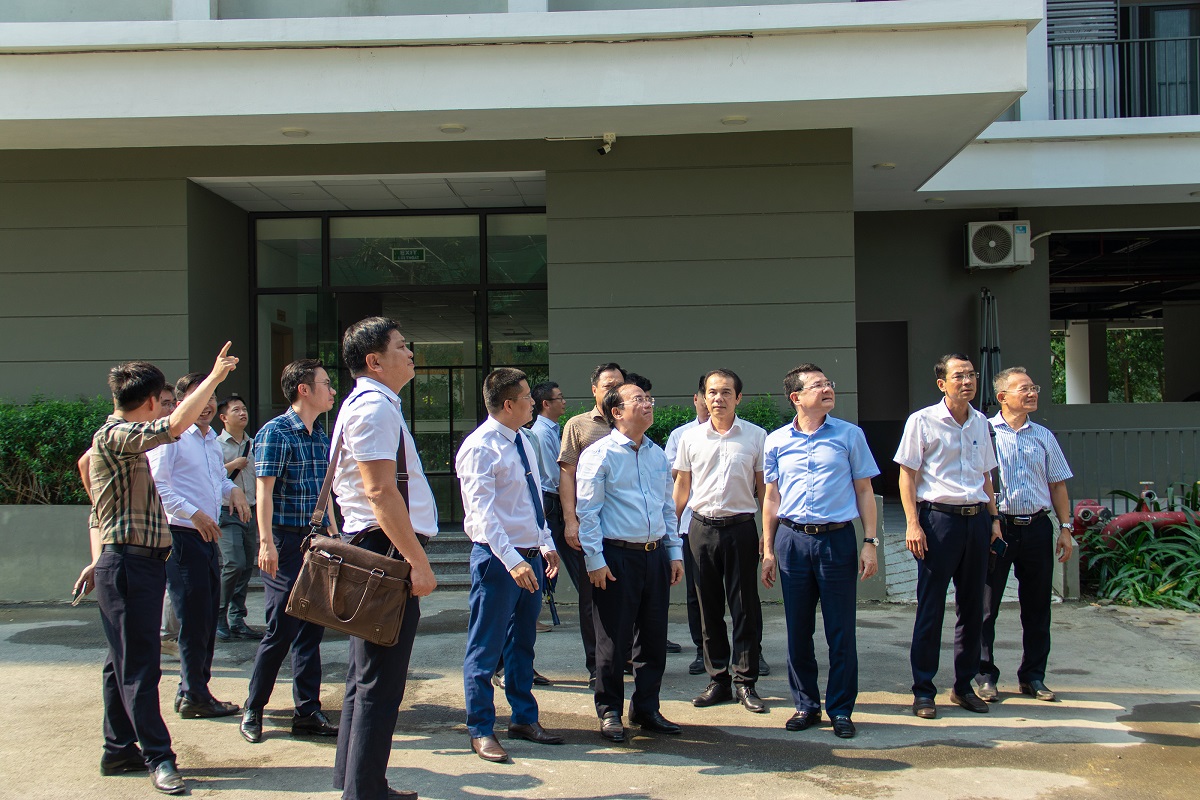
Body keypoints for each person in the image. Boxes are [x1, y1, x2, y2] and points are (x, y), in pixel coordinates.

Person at [81, 344, 239, 795]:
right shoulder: (116, 435)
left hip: (134, 562)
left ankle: (118, 749)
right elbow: (171, 427)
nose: (169, 409)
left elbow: (86, 475)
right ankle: (158, 756)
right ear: (151, 401)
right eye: (165, 401)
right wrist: (214, 378)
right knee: (140, 666)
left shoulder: (117, 441)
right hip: (128, 563)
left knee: (121, 662)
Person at [331, 317, 438, 800]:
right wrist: (417, 562)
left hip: (378, 545)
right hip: (385, 549)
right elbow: (379, 492)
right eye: (400, 346)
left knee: (365, 676)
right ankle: (365, 791)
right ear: (374, 360)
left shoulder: (371, 404)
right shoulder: (374, 408)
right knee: (380, 680)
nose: (409, 352)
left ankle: (357, 781)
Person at [760, 364, 880, 739]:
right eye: (818, 385)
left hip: (836, 540)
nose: (828, 389)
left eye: (829, 383)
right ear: (796, 397)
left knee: (840, 631)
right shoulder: (776, 441)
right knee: (798, 629)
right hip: (792, 540)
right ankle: (806, 705)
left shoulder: (850, 435)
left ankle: (841, 709)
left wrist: (870, 542)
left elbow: (864, 491)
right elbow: (771, 497)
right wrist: (768, 549)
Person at [457, 368, 564, 763]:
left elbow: (531, 501)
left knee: (522, 645)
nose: (533, 403)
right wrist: (513, 560)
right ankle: (481, 729)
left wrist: (545, 543)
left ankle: (523, 718)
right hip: (499, 560)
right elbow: (483, 515)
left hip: (529, 557)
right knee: (485, 648)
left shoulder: (524, 440)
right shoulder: (480, 447)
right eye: (526, 397)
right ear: (507, 404)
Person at [894, 353, 1002, 720]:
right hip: (938, 522)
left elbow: (986, 476)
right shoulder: (922, 421)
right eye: (959, 376)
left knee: (973, 608)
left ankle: (963, 687)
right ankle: (924, 691)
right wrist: (912, 523)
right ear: (942, 384)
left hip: (976, 521)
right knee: (931, 607)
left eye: (971, 375)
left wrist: (994, 520)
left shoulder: (980, 422)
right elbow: (907, 475)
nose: (967, 381)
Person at [577, 381, 684, 743]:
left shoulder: (657, 454)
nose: (648, 403)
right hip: (616, 556)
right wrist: (594, 560)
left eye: (648, 398)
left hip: (654, 556)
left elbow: (667, 507)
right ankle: (609, 710)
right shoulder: (599, 454)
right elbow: (587, 513)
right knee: (613, 639)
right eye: (638, 399)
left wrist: (673, 552)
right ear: (616, 412)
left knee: (653, 638)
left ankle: (646, 707)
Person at [239, 360, 339, 744]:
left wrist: (334, 532)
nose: (332, 390)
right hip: (283, 540)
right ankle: (254, 708)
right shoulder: (275, 432)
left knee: (312, 627)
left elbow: (324, 489)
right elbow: (263, 492)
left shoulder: (320, 435)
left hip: (316, 539)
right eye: (326, 384)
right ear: (304, 389)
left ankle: (307, 711)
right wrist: (265, 543)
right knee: (282, 627)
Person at [148, 373, 251, 719]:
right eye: (199, 396)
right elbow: (159, 488)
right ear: (182, 403)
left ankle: (192, 690)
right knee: (193, 619)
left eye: (210, 396)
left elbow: (217, 478)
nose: (206, 404)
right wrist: (194, 514)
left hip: (206, 536)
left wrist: (233, 491)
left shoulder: (209, 441)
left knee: (205, 617)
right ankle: (194, 694)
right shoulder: (171, 438)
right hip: (180, 537)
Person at [673, 369, 768, 713]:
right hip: (700, 530)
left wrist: (768, 535)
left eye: (726, 392)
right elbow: (682, 487)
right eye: (712, 392)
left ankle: (745, 681)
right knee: (707, 608)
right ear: (703, 397)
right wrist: (671, 532)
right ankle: (718, 679)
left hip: (741, 528)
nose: (718, 398)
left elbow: (765, 489)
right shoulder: (690, 438)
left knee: (745, 607)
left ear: (738, 398)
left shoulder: (756, 437)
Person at [978, 367, 1074, 703]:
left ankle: (1033, 676)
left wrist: (1065, 528)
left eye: (1034, 388)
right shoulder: (985, 432)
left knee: (1037, 607)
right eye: (1024, 389)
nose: (1032, 393)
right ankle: (984, 676)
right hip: (998, 527)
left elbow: (1057, 485)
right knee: (986, 607)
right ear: (1002, 397)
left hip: (1037, 527)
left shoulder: (1044, 436)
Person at [557, 362, 627, 688]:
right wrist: (570, 520)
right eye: (608, 385)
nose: (615, 390)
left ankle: (621, 658)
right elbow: (567, 474)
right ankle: (596, 665)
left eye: (620, 385)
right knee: (591, 600)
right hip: (591, 527)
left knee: (626, 597)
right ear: (594, 389)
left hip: (626, 529)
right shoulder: (578, 425)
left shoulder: (629, 421)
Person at [664, 376, 710, 675]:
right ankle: (702, 650)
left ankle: (751, 652)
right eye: (706, 394)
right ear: (696, 399)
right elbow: (672, 477)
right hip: (690, 525)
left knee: (740, 594)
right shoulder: (681, 436)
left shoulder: (748, 434)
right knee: (696, 593)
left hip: (732, 524)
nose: (711, 401)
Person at [216, 394, 261, 641]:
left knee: (245, 567)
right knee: (234, 563)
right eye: (236, 410)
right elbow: (209, 475)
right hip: (227, 511)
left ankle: (236, 618)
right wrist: (233, 464)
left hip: (250, 511)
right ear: (223, 417)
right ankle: (218, 616)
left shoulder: (254, 444)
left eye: (244, 409)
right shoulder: (216, 445)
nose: (242, 413)